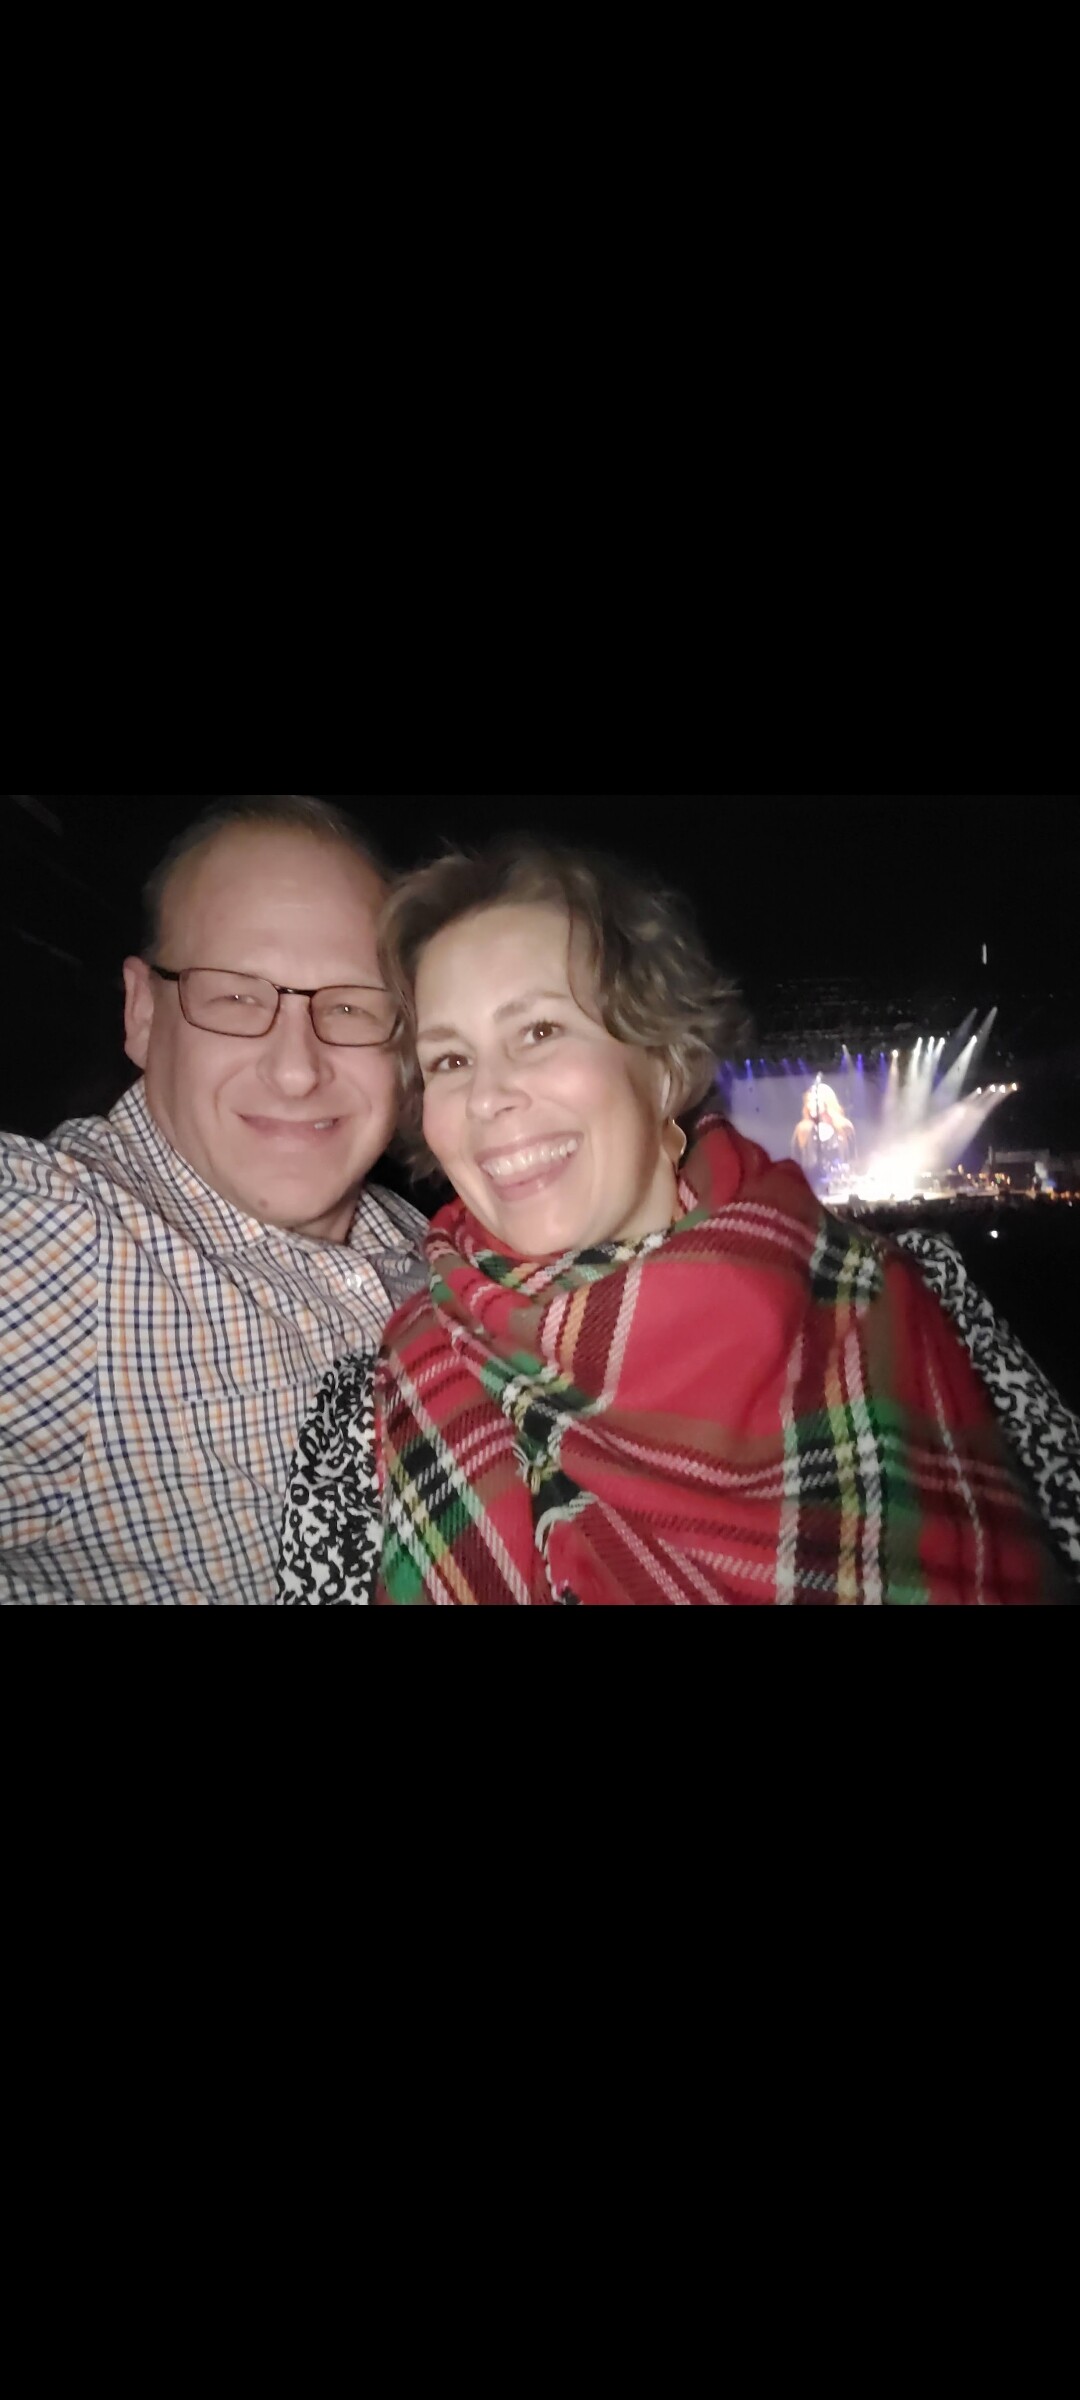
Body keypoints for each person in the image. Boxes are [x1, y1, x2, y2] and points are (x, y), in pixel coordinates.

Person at [277, 841, 1069, 1604]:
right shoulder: (369, 1416)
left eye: (539, 1032)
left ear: (660, 1063)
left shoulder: (908, 1304)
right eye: (450, 1060)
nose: (487, 1097)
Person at [0, 796, 427, 1604]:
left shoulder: (431, 1240)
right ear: (143, 1013)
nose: (297, 1069)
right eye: (234, 997)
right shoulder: (57, 1238)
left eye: (350, 1005)